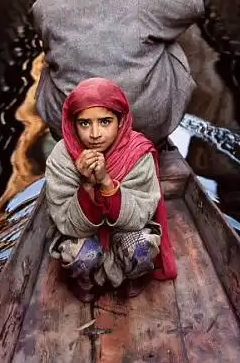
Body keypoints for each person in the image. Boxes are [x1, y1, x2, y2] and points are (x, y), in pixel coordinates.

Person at [31, 0, 205, 147]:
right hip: (145, 123)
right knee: (166, 29)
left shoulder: (43, 7)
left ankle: (80, 139)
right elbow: (193, 4)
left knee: (48, 65)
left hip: (75, 126)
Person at [44, 77, 177, 302]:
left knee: (141, 248)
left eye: (105, 121)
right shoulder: (61, 157)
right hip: (84, 234)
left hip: (124, 232)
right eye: (84, 123)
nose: (95, 134)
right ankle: (85, 280)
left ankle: (134, 275)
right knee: (80, 254)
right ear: (72, 124)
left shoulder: (137, 153)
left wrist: (106, 182)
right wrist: (86, 185)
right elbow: (65, 222)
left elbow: (139, 217)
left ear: (121, 121)